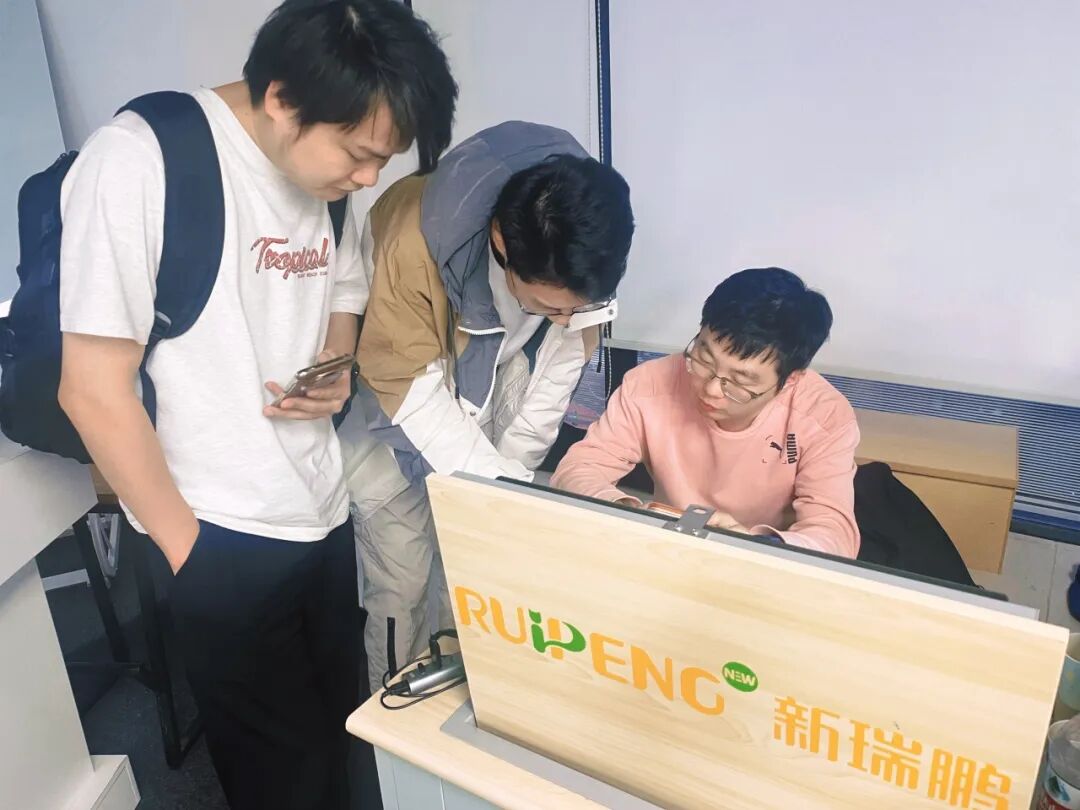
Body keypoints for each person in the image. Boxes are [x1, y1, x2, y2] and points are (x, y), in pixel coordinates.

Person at [55, 1, 456, 807]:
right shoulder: (143, 159)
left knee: (344, 742)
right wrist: (192, 556)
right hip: (217, 529)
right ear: (280, 98)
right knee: (279, 778)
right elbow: (90, 386)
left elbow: (343, 284)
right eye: (359, 155)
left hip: (320, 507)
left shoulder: (327, 177)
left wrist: (334, 364)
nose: (369, 179)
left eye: (383, 160)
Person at [338, 123, 635, 690]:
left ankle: (461, 696)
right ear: (500, 243)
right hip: (396, 404)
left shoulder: (589, 234)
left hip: (492, 384)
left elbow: (557, 373)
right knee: (402, 580)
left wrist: (508, 485)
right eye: (548, 306)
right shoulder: (412, 241)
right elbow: (407, 387)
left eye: (576, 309)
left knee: (468, 569)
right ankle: (394, 710)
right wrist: (497, 486)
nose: (566, 320)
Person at [551, 267, 860, 558]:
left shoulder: (823, 416)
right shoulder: (649, 385)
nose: (711, 389)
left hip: (766, 564)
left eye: (740, 381)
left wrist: (760, 544)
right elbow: (579, 469)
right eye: (704, 359)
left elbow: (835, 535)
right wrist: (622, 509)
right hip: (668, 548)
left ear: (790, 380)